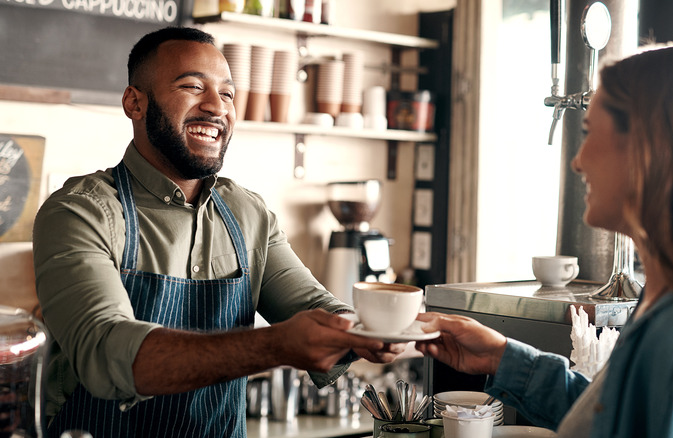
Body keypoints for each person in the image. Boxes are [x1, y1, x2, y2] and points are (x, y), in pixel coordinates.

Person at [32, 26, 404, 437]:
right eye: (193, 86)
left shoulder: (249, 214)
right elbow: (105, 352)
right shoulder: (82, 211)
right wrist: (275, 345)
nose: (216, 107)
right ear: (134, 103)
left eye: (227, 94)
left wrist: (373, 331)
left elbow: (314, 308)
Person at [416, 43, 673, 437]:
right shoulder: (666, 305)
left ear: (650, 151)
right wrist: (502, 358)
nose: (578, 160)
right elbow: (617, 422)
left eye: (589, 132)